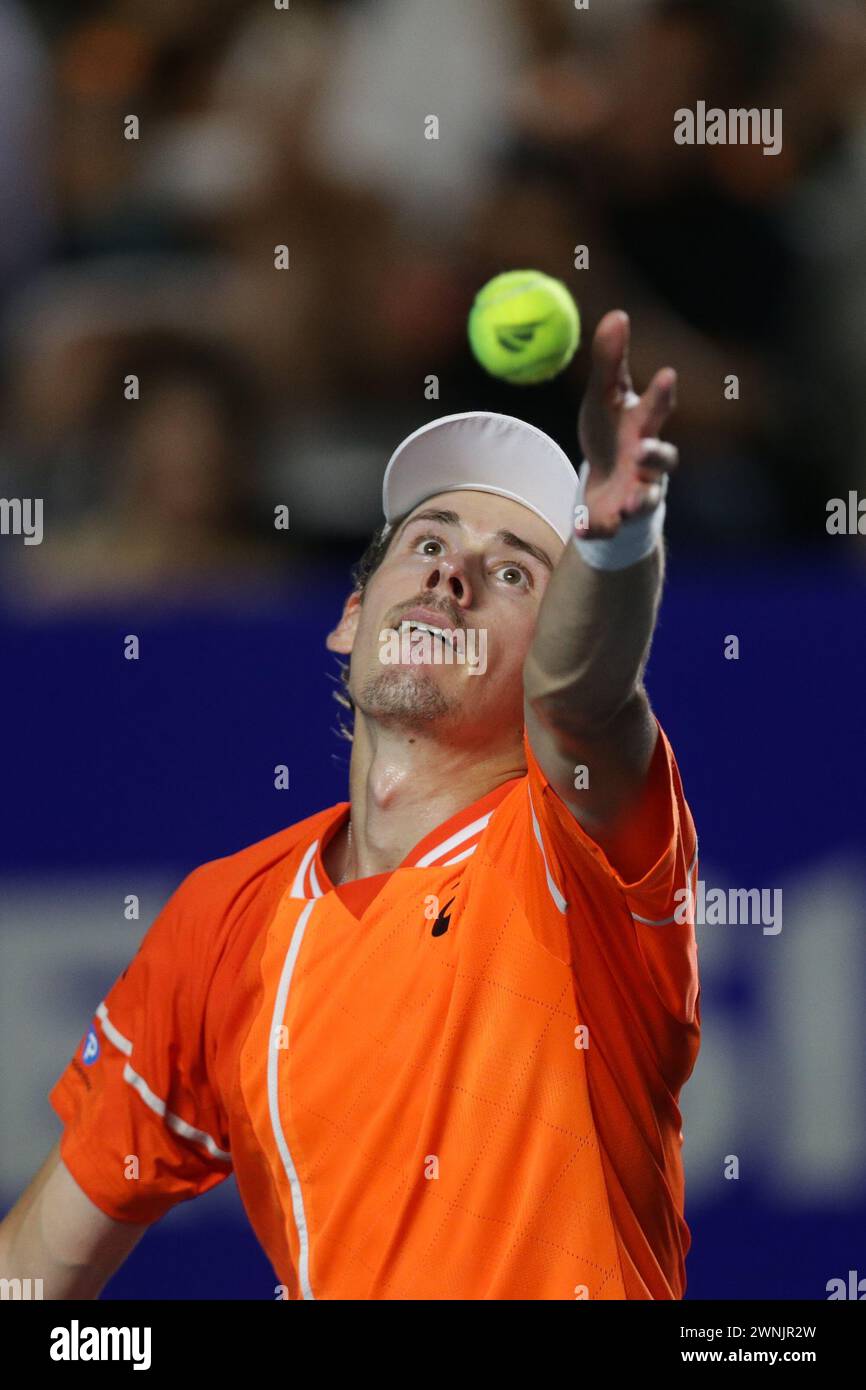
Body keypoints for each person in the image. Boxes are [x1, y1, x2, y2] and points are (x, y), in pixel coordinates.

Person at [0, 311, 700, 1300]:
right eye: (424, 542)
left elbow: (588, 698)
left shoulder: (575, 850)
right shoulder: (221, 923)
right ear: (348, 616)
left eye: (512, 573)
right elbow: (36, 1270)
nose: (449, 574)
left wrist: (619, 541)